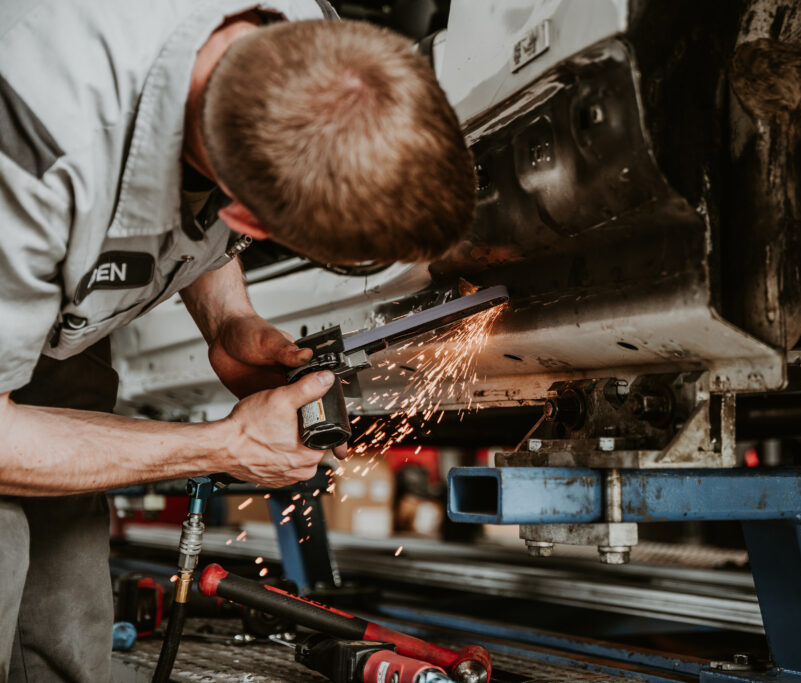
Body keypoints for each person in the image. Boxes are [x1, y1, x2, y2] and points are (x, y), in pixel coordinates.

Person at [0, 1, 475, 679]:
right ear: (244, 215)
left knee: (66, 581)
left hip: (45, 310)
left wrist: (228, 322)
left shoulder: (299, 27)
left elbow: (211, 173)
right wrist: (225, 444)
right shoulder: (37, 140)